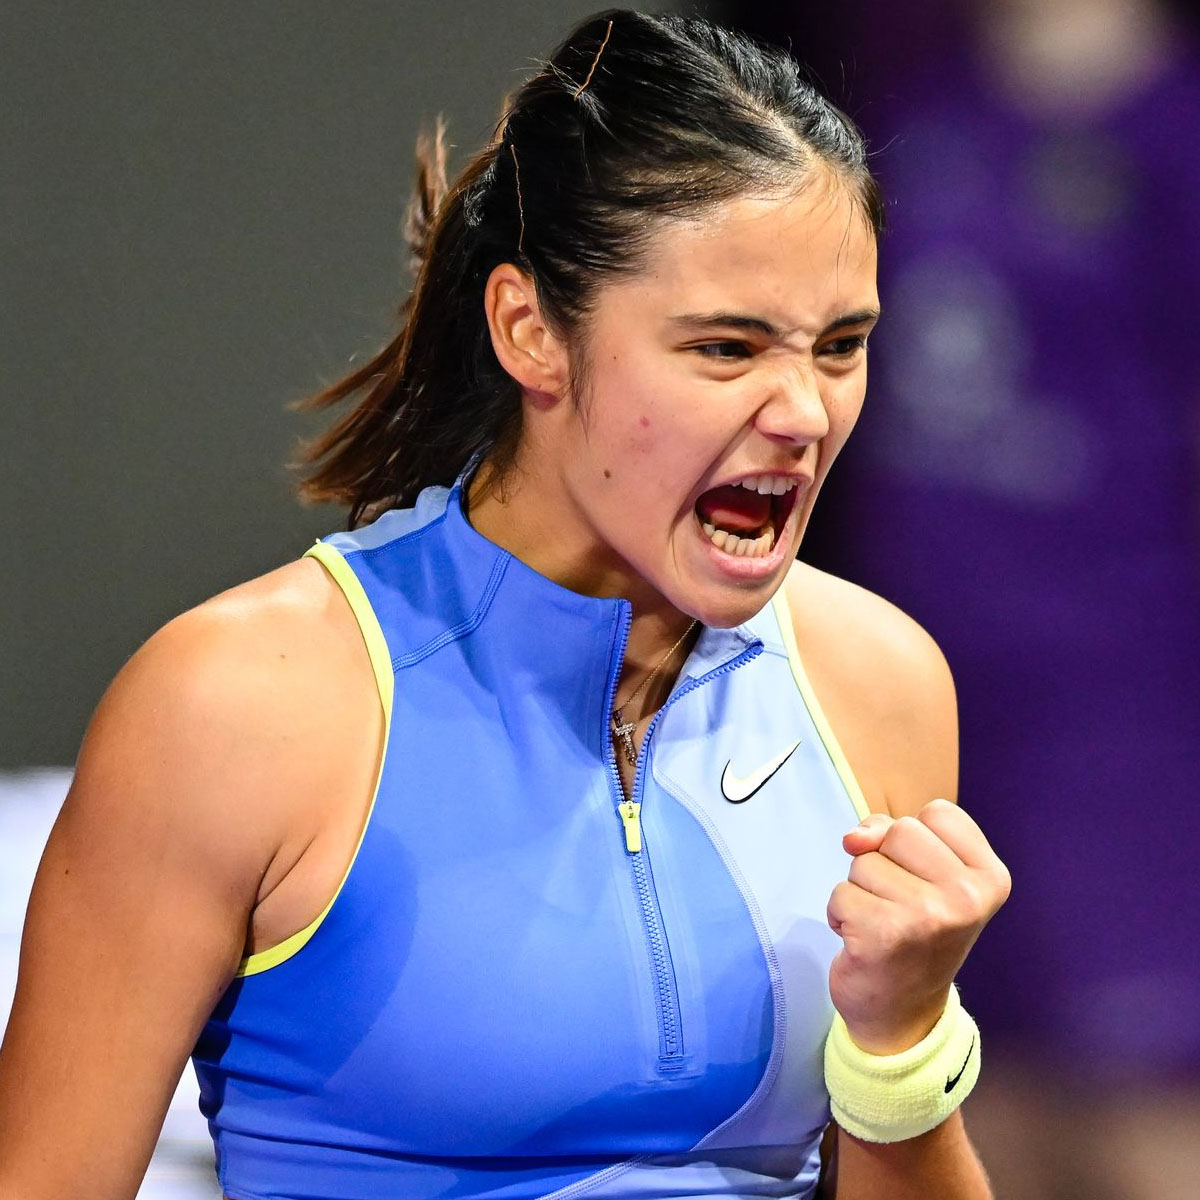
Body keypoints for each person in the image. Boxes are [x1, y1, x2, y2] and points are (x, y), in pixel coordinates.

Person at [0, 11, 1010, 1200]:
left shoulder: (880, 681)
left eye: (840, 346)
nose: (805, 412)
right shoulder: (234, 707)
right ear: (533, 334)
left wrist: (901, 1042)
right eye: (727, 349)